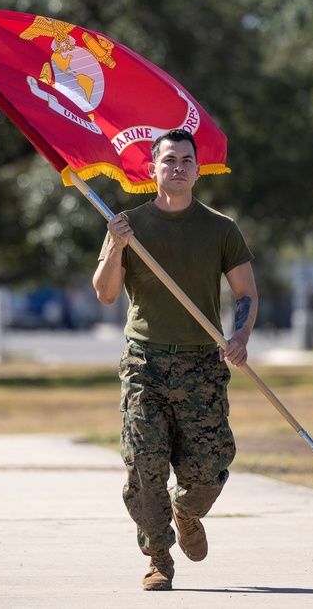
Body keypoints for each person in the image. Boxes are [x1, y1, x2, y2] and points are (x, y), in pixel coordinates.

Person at [93, 128, 258, 592]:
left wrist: (239, 335)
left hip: (202, 364)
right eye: (169, 161)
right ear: (153, 169)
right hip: (145, 362)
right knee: (144, 465)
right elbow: (105, 294)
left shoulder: (220, 228)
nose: (178, 168)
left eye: (187, 160)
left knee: (209, 467)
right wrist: (116, 245)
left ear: (198, 170)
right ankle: (159, 556)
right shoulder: (127, 224)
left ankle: (186, 512)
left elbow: (245, 293)